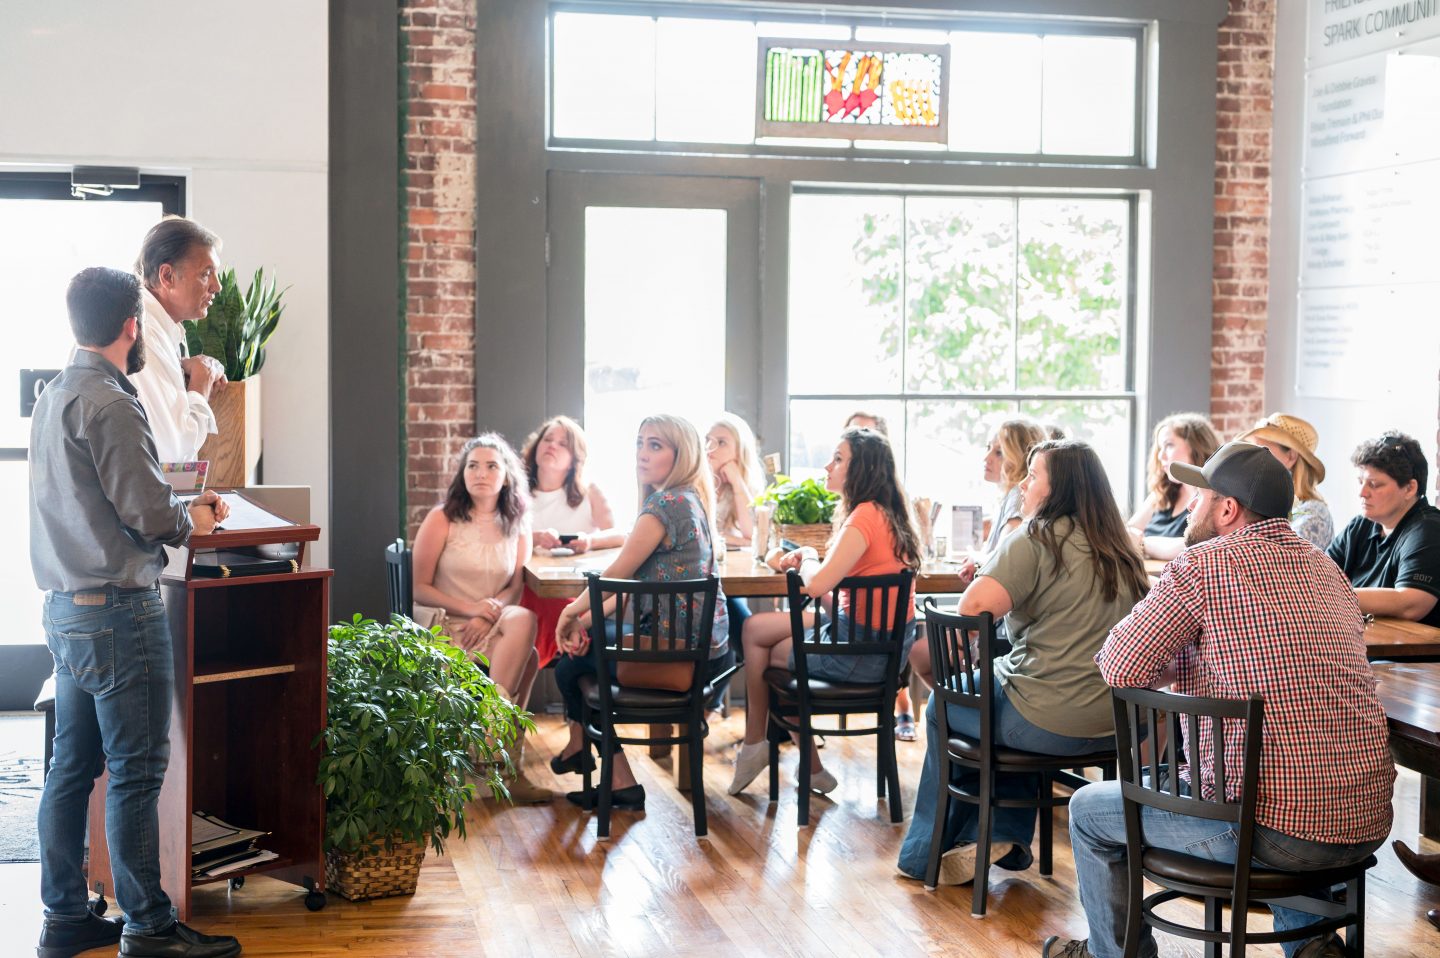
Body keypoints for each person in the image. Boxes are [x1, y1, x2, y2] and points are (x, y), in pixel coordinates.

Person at [1045, 441, 1395, 958]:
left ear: (1227, 508)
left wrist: (1174, 660)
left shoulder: (1201, 565)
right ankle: (1312, 945)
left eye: (1199, 495)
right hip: (1364, 821)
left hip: (1269, 830)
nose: (1189, 505)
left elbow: (1119, 665)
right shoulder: (1328, 571)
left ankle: (1115, 955)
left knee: (1088, 809)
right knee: (1270, 780)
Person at [32, 267, 239, 958]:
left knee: (72, 767)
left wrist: (169, 499)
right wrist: (196, 514)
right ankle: (149, 929)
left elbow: (107, 494)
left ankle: (64, 918)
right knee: (136, 770)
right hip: (120, 612)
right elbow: (147, 512)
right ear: (131, 326)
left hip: (66, 609)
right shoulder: (112, 404)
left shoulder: (55, 394)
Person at [896, 440, 1148, 886]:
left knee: (946, 707)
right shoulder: (1121, 545)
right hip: (1116, 723)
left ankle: (925, 854)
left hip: (1046, 721)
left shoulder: (1037, 536)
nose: (1024, 485)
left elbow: (974, 608)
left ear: (1058, 489)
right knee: (1001, 699)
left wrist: (997, 569)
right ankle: (999, 834)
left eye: (1033, 476)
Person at [550, 415, 733, 811]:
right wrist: (584, 621)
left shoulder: (665, 504)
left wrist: (570, 613)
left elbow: (616, 575)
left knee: (569, 667)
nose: (643, 454)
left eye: (656, 446)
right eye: (640, 443)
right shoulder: (691, 499)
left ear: (680, 455)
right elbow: (631, 585)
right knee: (583, 651)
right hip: (700, 650)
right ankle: (607, 770)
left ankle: (603, 764)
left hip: (672, 654)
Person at [728, 427, 922, 797]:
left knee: (763, 648)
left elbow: (816, 587)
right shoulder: (887, 516)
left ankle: (757, 745)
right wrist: (811, 559)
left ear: (861, 469)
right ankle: (797, 761)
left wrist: (811, 557)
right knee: (755, 629)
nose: (827, 465)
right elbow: (843, 597)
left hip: (860, 656)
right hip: (876, 648)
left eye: (838, 459)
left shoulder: (863, 518)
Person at [411, 433, 549, 803]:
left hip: (491, 623)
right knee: (531, 658)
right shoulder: (442, 519)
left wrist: (488, 617)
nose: (481, 473)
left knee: (523, 618)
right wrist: (474, 610)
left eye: (491, 466)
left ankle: (490, 734)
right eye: (473, 465)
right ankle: (502, 765)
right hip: (444, 624)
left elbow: (515, 588)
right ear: (462, 473)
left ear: (507, 476)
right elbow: (419, 587)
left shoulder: (517, 522)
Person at [518, 415, 624, 666]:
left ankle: (571, 632)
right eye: (547, 439)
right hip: (529, 589)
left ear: (575, 458)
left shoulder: (590, 491)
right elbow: (500, 538)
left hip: (575, 590)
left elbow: (621, 535)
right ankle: (572, 635)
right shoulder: (516, 492)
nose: (552, 445)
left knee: (614, 594)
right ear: (535, 448)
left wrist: (588, 541)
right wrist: (533, 538)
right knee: (531, 596)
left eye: (562, 443)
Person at [841, 411, 922, 741]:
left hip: (872, 635)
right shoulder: (874, 510)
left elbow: (819, 583)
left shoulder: (871, 513)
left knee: (888, 617)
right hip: (867, 623)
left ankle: (902, 702)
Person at [130, 217, 228, 463]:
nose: (217, 286)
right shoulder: (145, 334)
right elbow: (175, 451)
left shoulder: (160, 329)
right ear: (167, 276)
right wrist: (200, 387)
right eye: (206, 274)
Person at [1326, 431, 1440, 627]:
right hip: (1362, 645)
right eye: (1360, 482)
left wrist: (1333, 596)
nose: (1362, 493)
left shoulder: (1428, 528)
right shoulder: (1360, 526)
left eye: (1374, 484)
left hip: (1408, 655)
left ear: (1410, 489)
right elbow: (1320, 577)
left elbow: (1411, 603)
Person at [705, 412, 766, 707]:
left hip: (731, 586)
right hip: (702, 585)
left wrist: (738, 482)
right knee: (731, 626)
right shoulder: (697, 486)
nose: (710, 448)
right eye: (707, 441)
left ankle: (710, 707)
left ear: (738, 452)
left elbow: (752, 536)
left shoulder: (745, 489)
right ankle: (708, 707)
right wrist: (732, 539)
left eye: (720, 442)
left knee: (733, 625)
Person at [1126, 412, 1220, 562]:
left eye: (1168, 445)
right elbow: (1126, 534)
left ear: (1196, 447)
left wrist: (1143, 543)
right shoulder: (1162, 493)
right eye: (1160, 448)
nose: (1160, 456)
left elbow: (1196, 547)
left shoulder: (1214, 497)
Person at [1236, 412, 1333, 548]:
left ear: (1291, 457)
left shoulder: (1314, 515)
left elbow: (1281, 560)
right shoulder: (1262, 502)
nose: (1254, 459)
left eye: (1264, 451)